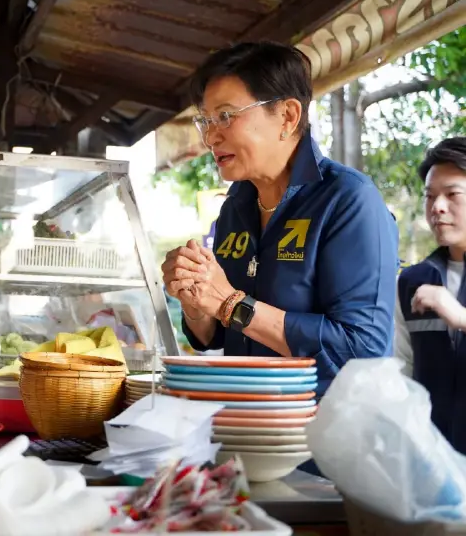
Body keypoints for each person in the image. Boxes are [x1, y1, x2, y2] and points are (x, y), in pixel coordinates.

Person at [160, 42, 398, 398]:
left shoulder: (348, 199)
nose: (210, 137)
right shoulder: (235, 206)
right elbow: (216, 336)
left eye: (225, 116)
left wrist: (231, 304)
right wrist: (196, 299)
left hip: (325, 426)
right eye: (206, 120)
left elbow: (362, 350)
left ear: (287, 116)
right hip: (247, 416)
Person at [394, 137, 466, 452]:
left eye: (452, 194)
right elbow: (403, 372)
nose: (437, 207)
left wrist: (460, 317)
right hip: (431, 461)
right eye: (430, 196)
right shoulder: (411, 282)